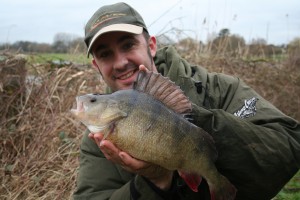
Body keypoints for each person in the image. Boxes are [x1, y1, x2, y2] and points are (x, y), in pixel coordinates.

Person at [73, 2, 300, 200]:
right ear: (97, 66)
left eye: (128, 45)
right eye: (105, 54)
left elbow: (289, 146)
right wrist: (155, 181)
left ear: (151, 45)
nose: (121, 62)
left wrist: (198, 121)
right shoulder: (96, 138)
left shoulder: (220, 88)